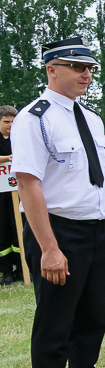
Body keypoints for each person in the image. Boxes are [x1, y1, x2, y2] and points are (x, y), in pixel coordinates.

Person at [12, 36, 105, 368]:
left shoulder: (92, 118)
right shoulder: (35, 118)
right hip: (57, 230)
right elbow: (29, 185)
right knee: (55, 326)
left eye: (89, 68)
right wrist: (49, 248)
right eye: (77, 67)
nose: (86, 74)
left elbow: (104, 179)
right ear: (52, 69)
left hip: (94, 229)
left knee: (91, 320)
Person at [0, 105, 22, 285]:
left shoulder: (19, 137)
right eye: (6, 122)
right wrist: (7, 158)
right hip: (1, 193)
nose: (10, 125)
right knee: (3, 230)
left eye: (13, 122)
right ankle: (6, 270)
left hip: (18, 191)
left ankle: (22, 268)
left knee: (19, 229)